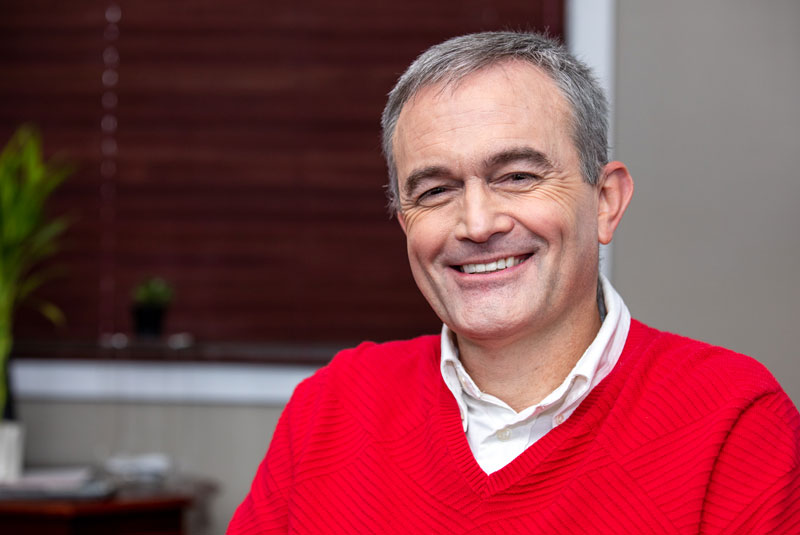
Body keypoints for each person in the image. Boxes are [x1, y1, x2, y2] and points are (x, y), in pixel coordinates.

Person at [229, 31, 800, 533]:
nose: (477, 225)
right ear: (405, 223)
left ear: (605, 202)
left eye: (518, 176)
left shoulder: (734, 424)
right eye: (434, 191)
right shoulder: (331, 409)